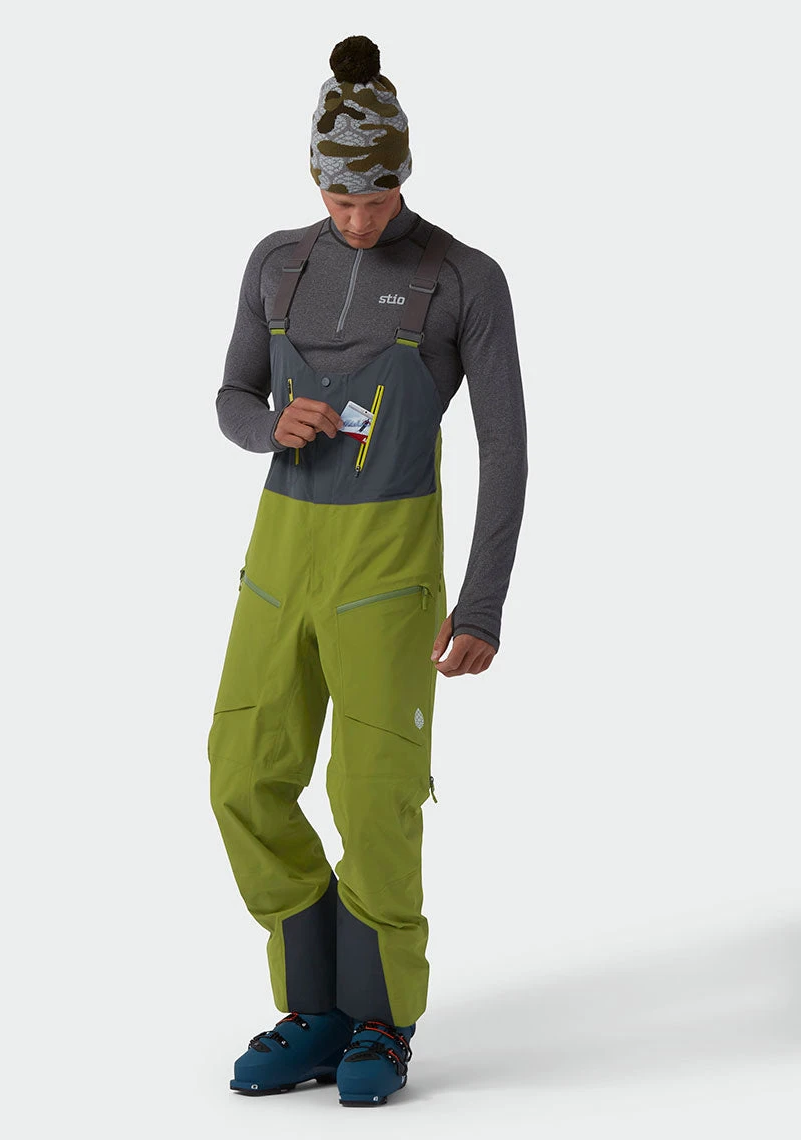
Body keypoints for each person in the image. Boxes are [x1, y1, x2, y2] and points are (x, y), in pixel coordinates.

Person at [207, 35, 528, 1107]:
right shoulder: (276, 263)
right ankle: (316, 1007)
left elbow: (505, 446)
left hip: (389, 571)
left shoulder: (462, 278)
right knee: (243, 773)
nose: (357, 219)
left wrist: (481, 603)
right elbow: (231, 396)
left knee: (373, 792)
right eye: (340, 199)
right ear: (315, 181)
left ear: (403, 174)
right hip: (278, 558)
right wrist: (265, 425)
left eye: (375, 197)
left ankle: (381, 1017)